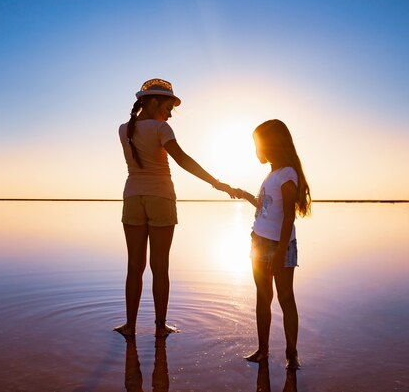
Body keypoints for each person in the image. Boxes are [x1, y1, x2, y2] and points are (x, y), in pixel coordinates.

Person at [114, 78, 237, 338]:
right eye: (169, 107)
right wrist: (216, 183)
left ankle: (130, 326)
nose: (170, 114)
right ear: (155, 102)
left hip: (133, 197)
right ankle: (160, 325)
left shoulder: (124, 129)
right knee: (160, 266)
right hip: (161, 199)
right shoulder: (161, 130)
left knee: (134, 266)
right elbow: (182, 160)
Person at [236, 119, 311, 370]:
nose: (256, 151)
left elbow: (289, 216)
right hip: (258, 243)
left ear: (272, 145)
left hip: (279, 246)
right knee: (262, 297)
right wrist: (246, 196)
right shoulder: (271, 174)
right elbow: (266, 210)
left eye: (258, 145)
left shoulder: (287, 173)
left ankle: (291, 354)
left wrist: (279, 253)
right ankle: (263, 350)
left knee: (286, 298)